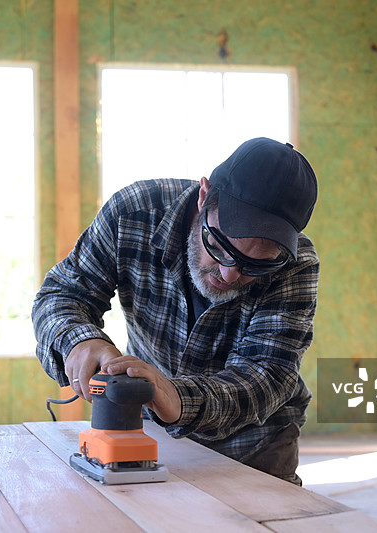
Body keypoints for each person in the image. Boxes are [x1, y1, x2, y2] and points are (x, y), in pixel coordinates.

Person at [32, 137, 319, 485]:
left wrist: (177, 399)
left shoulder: (294, 265)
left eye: (255, 265)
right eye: (220, 246)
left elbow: (267, 375)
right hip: (149, 431)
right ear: (204, 196)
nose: (230, 274)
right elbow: (62, 293)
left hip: (254, 445)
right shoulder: (133, 214)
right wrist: (80, 340)